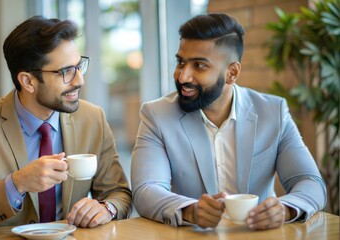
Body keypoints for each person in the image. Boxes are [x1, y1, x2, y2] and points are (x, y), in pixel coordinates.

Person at [131, 13, 326, 231]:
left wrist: (285, 209)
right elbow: (146, 190)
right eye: (181, 62)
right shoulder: (156, 115)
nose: (183, 77)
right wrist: (190, 210)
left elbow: (311, 182)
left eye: (199, 66)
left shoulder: (273, 112)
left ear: (231, 73)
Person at [0, 16, 131, 237]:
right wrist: (17, 184)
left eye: (79, 66)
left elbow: (119, 194)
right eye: (66, 72)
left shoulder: (92, 119)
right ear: (28, 81)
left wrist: (106, 208)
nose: (79, 80)